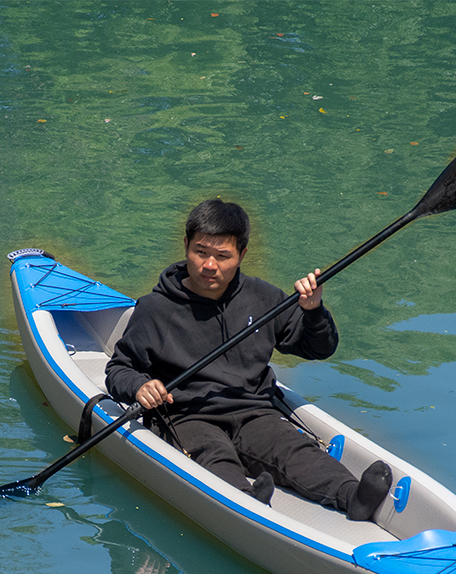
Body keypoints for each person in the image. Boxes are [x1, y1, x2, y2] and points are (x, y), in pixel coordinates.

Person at [104, 199, 391, 520]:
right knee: (213, 454)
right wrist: (141, 386)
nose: (209, 265)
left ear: (242, 254)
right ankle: (245, 501)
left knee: (292, 449)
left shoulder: (264, 298)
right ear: (186, 246)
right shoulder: (156, 308)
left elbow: (318, 349)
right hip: (186, 415)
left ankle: (351, 495)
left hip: (253, 411)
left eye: (222, 256)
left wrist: (313, 313)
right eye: (200, 252)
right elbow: (119, 369)